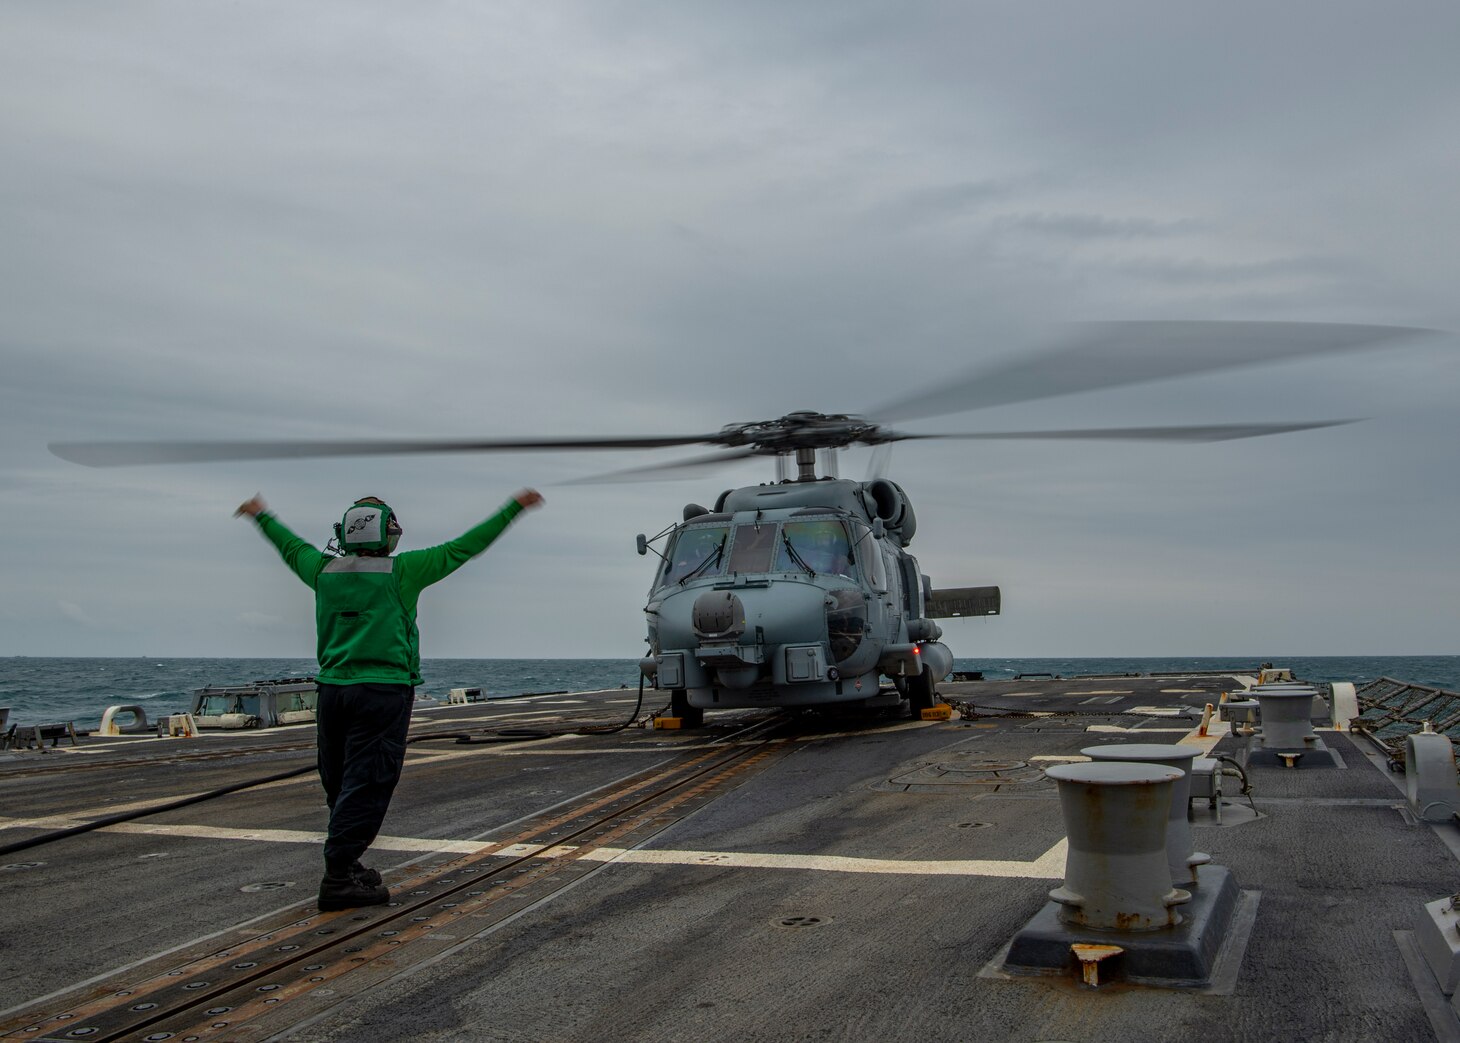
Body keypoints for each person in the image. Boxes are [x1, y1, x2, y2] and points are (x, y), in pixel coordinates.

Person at [235, 489, 544, 910]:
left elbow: (290, 545)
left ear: (345, 534)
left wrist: (260, 515)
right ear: (389, 533)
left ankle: (348, 864)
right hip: (383, 692)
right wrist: (515, 507)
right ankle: (338, 875)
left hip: (331, 693)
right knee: (368, 783)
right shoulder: (404, 571)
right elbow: (465, 546)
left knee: (340, 784)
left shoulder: (321, 569)